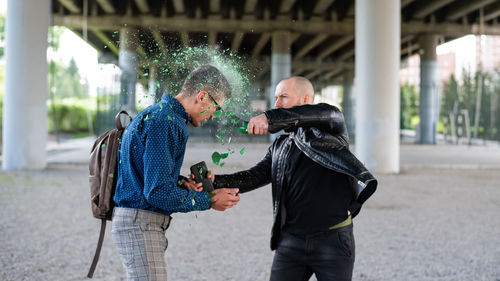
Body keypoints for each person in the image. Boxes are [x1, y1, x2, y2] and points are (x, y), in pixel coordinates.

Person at [213, 77, 377, 281]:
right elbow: (252, 177)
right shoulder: (280, 145)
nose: (277, 104)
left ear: (306, 98)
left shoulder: (332, 124)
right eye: (275, 98)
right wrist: (213, 181)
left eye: (283, 97)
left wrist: (269, 118)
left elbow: (317, 113)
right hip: (290, 243)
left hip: (333, 241)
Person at [112, 65, 240, 280]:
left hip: (138, 221)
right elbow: (157, 193)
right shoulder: (166, 122)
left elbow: (147, 175)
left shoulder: (160, 115)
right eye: (217, 107)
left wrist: (182, 183)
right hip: (140, 223)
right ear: (202, 96)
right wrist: (209, 199)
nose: (215, 115)